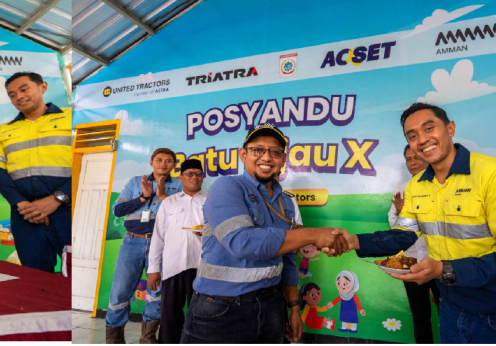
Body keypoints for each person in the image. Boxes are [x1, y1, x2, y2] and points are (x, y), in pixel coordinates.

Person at [335, 103, 496, 344]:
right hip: (451, 311)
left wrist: (444, 270)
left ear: (450, 128)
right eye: (413, 135)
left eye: (429, 128)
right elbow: (404, 234)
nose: (422, 139)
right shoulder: (417, 186)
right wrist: (355, 241)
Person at [180, 123, 348, 344]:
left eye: (275, 152)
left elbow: (287, 259)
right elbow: (243, 242)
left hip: (271, 307)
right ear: (243, 154)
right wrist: (313, 235)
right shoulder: (227, 187)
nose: (267, 157)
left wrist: (295, 307)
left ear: (283, 159)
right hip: (220, 309)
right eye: (258, 150)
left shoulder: (285, 202)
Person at [0, 72, 72, 273]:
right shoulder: (2, 130)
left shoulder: (73, 118)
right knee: (35, 278)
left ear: (42, 87)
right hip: (24, 216)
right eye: (12, 95)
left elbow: (86, 163)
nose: (19, 97)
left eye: (24, 89)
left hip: (67, 211)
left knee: (77, 275)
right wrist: (22, 205)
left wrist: (56, 200)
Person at [106, 148, 183, 345]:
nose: (163, 164)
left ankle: (148, 339)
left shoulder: (179, 186)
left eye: (168, 161)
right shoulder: (134, 182)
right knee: (120, 292)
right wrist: (142, 197)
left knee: (156, 293)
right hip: (132, 241)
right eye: (159, 160)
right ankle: (114, 340)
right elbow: (117, 210)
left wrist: (164, 195)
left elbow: (182, 216)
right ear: (151, 162)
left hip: (163, 245)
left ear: (174, 165)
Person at [147, 159, 205, 345]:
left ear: (202, 177)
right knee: (170, 315)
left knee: (202, 314)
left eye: (198, 173)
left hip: (202, 267)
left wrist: (209, 231)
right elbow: (158, 237)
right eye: (189, 173)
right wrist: (153, 268)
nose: (194, 177)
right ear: (181, 178)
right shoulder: (169, 202)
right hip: (173, 267)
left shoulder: (212, 201)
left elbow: (222, 232)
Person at [391, 144, 439, 344]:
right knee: (419, 315)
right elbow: (394, 226)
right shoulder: (402, 189)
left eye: (416, 158)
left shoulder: (441, 186)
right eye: (409, 159)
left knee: (448, 311)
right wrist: (402, 212)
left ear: (427, 157)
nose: (412, 163)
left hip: (439, 259)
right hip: (409, 260)